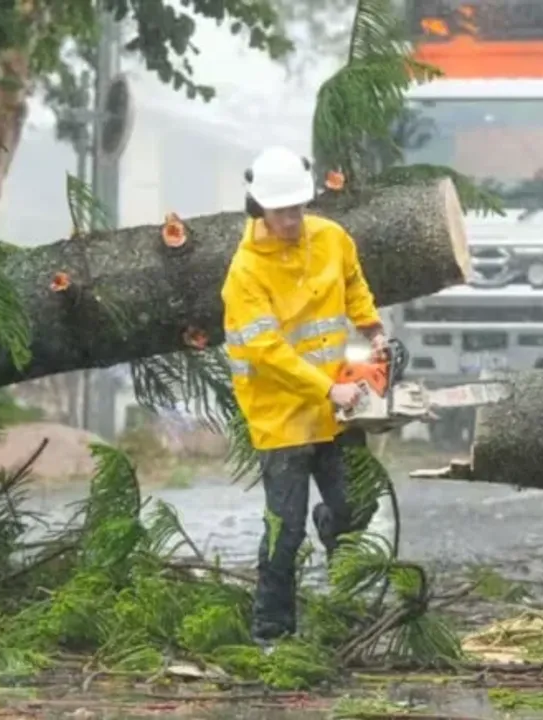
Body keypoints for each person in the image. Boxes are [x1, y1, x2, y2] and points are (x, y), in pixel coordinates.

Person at [220, 145, 388, 648]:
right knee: (285, 529)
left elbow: (353, 282)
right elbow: (268, 352)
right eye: (282, 212)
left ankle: (343, 585)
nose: (292, 220)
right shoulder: (246, 272)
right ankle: (272, 628)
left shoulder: (332, 238)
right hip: (281, 415)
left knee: (358, 504)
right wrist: (328, 387)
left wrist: (372, 327)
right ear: (259, 209)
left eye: (298, 208)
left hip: (336, 407)